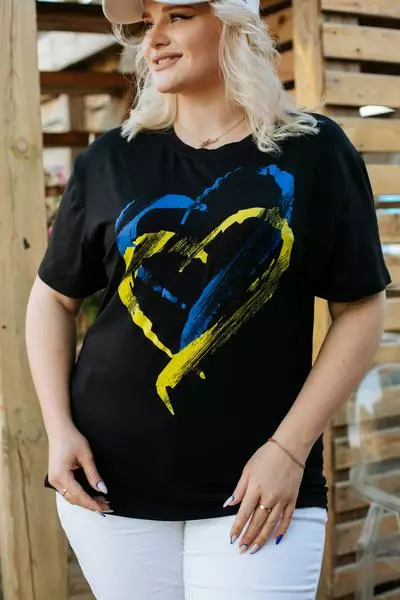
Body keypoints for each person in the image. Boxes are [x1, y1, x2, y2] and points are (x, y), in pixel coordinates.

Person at [25, 0, 390, 597]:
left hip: (261, 487)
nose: (154, 39)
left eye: (179, 16)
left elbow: (361, 306)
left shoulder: (314, 150)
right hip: (111, 487)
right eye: (147, 23)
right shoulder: (110, 158)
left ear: (233, 23)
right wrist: (58, 428)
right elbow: (53, 299)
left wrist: (289, 451)